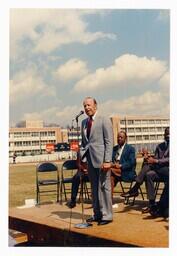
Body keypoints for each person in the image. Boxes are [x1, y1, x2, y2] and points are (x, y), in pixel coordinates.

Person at [80, 97, 113, 225]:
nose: (87, 108)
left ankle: (107, 215)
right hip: (89, 160)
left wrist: (108, 160)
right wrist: (82, 159)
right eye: (84, 106)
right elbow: (84, 143)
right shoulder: (83, 123)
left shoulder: (104, 120)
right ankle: (97, 214)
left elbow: (109, 142)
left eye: (88, 105)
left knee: (104, 187)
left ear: (95, 106)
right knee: (94, 188)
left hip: (102, 160)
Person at [121, 127, 169, 215]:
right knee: (149, 174)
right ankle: (152, 204)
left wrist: (156, 161)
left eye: (170, 134)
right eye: (166, 134)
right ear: (164, 135)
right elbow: (156, 158)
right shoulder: (160, 146)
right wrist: (147, 157)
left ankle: (135, 189)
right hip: (158, 170)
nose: (168, 136)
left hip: (169, 170)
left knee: (148, 165)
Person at [110, 130, 136, 207]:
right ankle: (109, 202)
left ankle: (97, 192)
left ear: (125, 139)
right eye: (118, 137)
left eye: (121, 137)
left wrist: (121, 165)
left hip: (125, 171)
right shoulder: (114, 148)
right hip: (113, 170)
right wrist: (111, 163)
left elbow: (131, 162)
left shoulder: (130, 149)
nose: (119, 139)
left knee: (107, 171)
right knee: (110, 179)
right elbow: (110, 159)